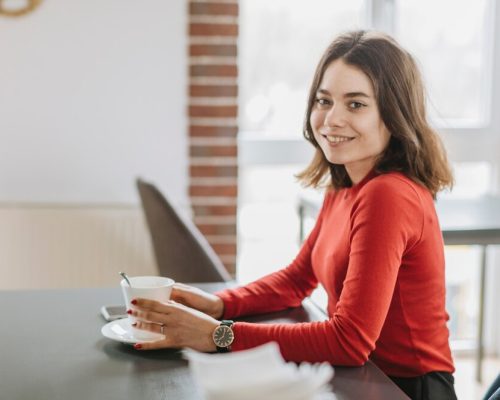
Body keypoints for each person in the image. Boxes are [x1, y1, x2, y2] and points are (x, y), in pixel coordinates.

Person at [128, 30, 457, 400]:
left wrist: (216, 334)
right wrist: (220, 304)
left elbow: (349, 341)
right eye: (324, 100)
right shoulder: (348, 183)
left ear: (395, 115)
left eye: (356, 104)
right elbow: (296, 279)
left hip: (407, 389)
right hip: (364, 379)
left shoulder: (389, 195)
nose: (331, 119)